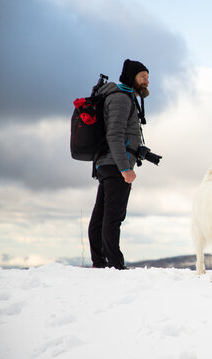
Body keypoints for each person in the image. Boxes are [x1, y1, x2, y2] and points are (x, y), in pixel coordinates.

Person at [88, 59, 150, 269]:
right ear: (132, 77)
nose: (146, 81)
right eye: (142, 77)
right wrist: (125, 168)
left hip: (107, 163)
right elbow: (114, 135)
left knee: (101, 215)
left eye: (147, 77)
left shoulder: (120, 96)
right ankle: (114, 264)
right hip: (115, 164)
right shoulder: (121, 99)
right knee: (113, 217)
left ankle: (100, 262)